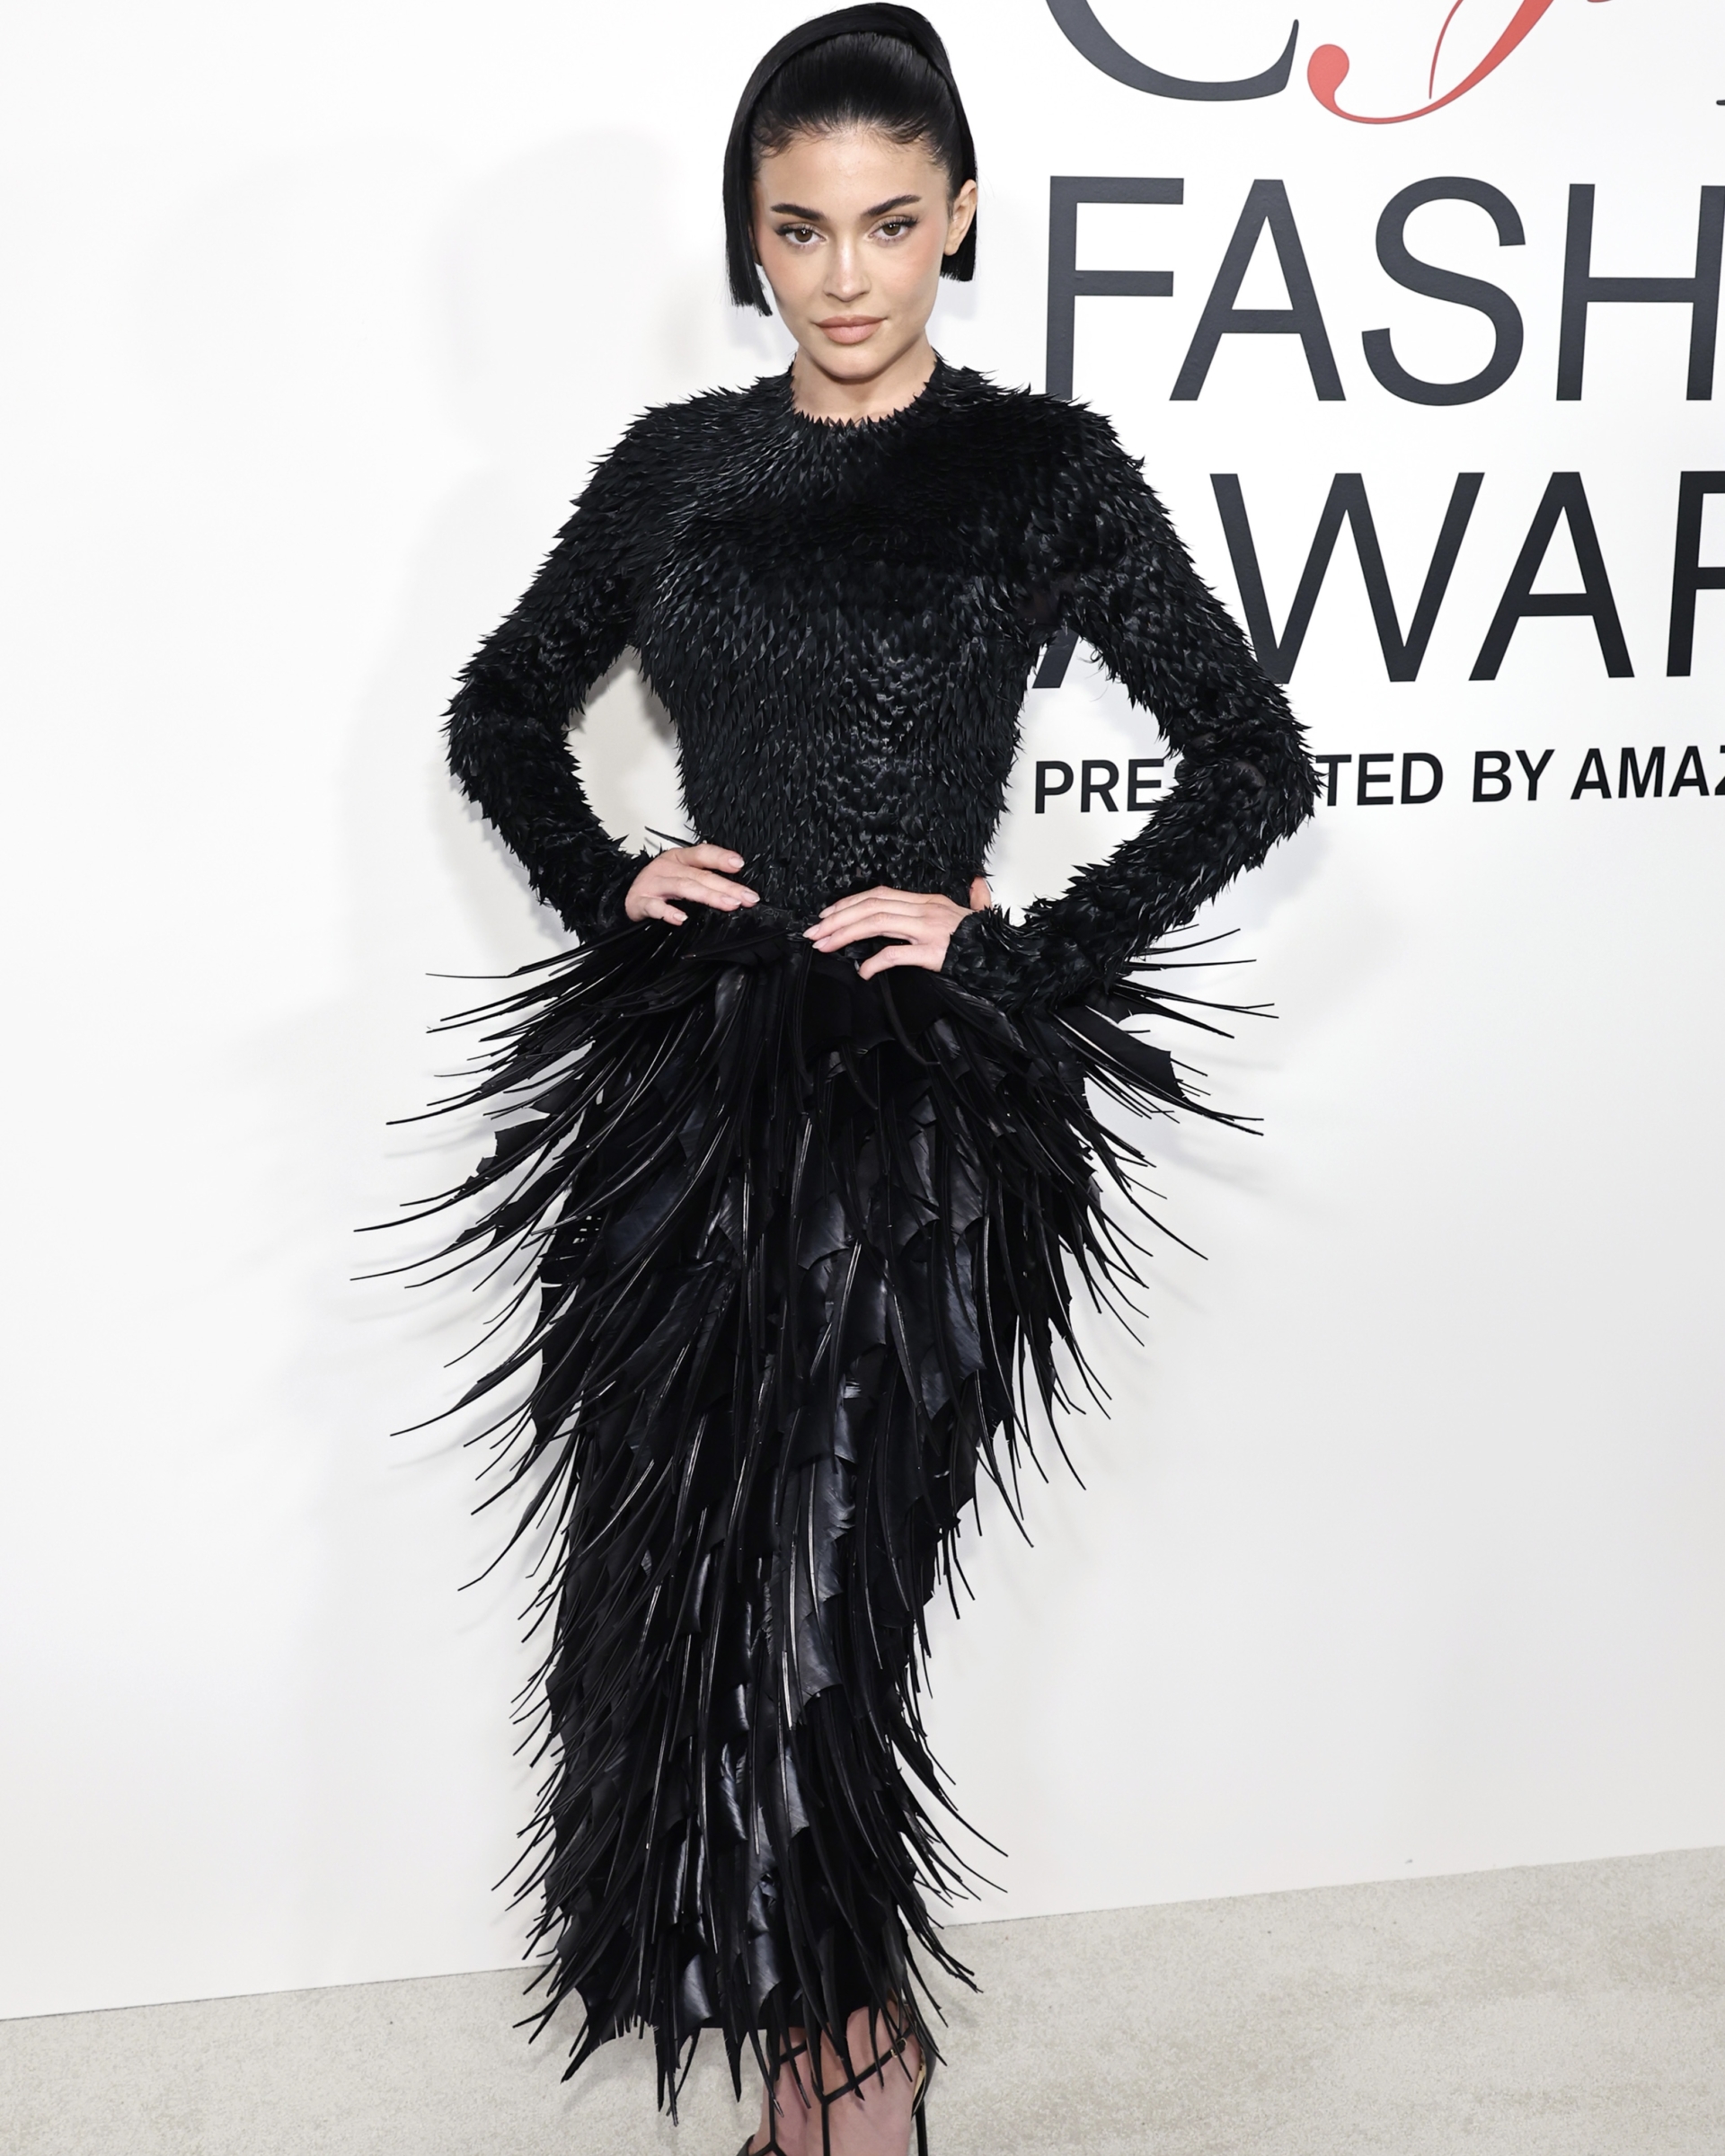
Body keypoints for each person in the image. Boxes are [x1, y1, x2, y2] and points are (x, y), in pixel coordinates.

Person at [436, 9, 1314, 2152]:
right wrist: (611, 877)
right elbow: (501, 706)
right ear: (751, 234)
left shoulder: (1039, 471)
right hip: (693, 1107)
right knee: (680, 1607)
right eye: (802, 228)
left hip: (924, 1116)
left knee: (831, 1608)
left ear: (960, 220)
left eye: (891, 225)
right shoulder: (677, 467)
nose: (845, 275)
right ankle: (838, 2058)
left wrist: (1021, 946)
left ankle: (851, 2073)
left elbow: (1250, 757)